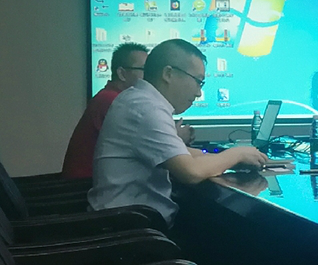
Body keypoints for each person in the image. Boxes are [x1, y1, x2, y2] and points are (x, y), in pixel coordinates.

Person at [88, 39, 266, 225]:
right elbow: (190, 172)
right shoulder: (146, 108)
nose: (198, 93)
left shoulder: (138, 99)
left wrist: (229, 160)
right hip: (132, 230)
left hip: (128, 221)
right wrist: (236, 154)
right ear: (168, 73)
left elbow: (181, 153)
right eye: (198, 81)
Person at [62, 43, 148, 178]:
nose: (149, 76)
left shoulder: (112, 97)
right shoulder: (112, 101)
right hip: (85, 186)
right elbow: (147, 145)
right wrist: (176, 137)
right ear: (122, 73)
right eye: (144, 69)